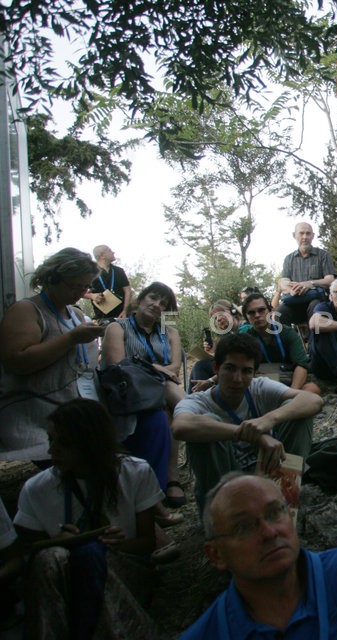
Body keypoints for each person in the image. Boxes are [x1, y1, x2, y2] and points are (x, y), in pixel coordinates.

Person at [181, 473, 337, 639]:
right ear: (216, 555)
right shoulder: (207, 633)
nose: (269, 532)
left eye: (275, 513)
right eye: (244, 527)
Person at [14, 399, 164, 640]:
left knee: (90, 555)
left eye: (64, 443)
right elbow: (28, 554)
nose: (52, 451)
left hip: (122, 571)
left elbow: (147, 543)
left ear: (89, 442)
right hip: (62, 578)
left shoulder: (135, 472)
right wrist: (59, 543)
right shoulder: (36, 489)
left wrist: (116, 545)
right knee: (51, 558)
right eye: (51, 440)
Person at [171, 333, 323, 510]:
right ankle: (225, 523)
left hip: (265, 475)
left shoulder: (258, 387)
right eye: (230, 368)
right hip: (225, 487)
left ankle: (285, 503)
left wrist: (268, 419)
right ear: (215, 368)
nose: (237, 378)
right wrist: (252, 435)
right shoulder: (198, 402)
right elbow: (180, 427)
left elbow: (313, 400)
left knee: (295, 408)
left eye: (246, 371)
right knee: (207, 422)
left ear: (254, 373)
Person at [0, 248, 106, 461]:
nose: (81, 292)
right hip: (37, 412)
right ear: (52, 278)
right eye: (76, 286)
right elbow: (17, 362)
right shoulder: (26, 310)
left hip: (76, 407)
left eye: (86, 286)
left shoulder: (75, 313)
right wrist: (71, 338)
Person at [100, 281, 183, 507]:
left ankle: (170, 478)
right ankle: (195, 414)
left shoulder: (170, 332)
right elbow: (117, 365)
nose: (157, 305)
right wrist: (156, 368)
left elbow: (175, 366)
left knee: (168, 408)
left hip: (163, 387)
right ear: (141, 299)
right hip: (131, 390)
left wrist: (160, 371)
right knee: (176, 404)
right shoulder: (117, 328)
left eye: (164, 304)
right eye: (153, 298)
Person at [239, 292, 322, 395]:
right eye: (251, 313)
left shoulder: (286, 332)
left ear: (269, 310)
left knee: (312, 389)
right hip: (262, 383)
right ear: (246, 317)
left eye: (261, 310)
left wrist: (291, 392)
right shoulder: (245, 339)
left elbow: (301, 365)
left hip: (288, 379)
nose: (257, 315)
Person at [277, 222, 336, 325]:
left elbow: (330, 280)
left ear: (313, 236)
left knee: (316, 308)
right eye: (301, 233)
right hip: (295, 301)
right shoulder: (288, 259)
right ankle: (288, 340)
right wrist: (291, 289)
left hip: (317, 300)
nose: (305, 237)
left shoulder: (323, 255)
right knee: (280, 313)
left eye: (308, 233)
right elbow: (283, 281)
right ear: (294, 235)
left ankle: (316, 340)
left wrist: (310, 283)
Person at [190, 299, 243, 393]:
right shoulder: (231, 336)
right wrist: (213, 352)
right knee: (201, 365)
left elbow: (238, 362)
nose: (218, 319)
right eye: (215, 318)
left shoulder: (245, 330)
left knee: (201, 366)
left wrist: (209, 381)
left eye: (221, 314)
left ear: (233, 311)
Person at [84, 245, 132, 321]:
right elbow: (79, 292)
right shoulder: (91, 272)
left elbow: (128, 291)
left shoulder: (119, 271)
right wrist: (92, 296)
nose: (113, 252)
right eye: (109, 250)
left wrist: (125, 310)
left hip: (122, 316)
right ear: (102, 256)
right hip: (102, 318)